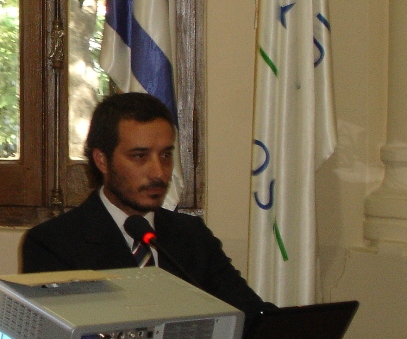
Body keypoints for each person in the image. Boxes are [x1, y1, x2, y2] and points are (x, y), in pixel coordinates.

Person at [21, 92, 267, 315]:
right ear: (102, 161)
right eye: (139, 156)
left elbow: (253, 318)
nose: (159, 172)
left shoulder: (192, 236)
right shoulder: (53, 243)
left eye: (166, 155)